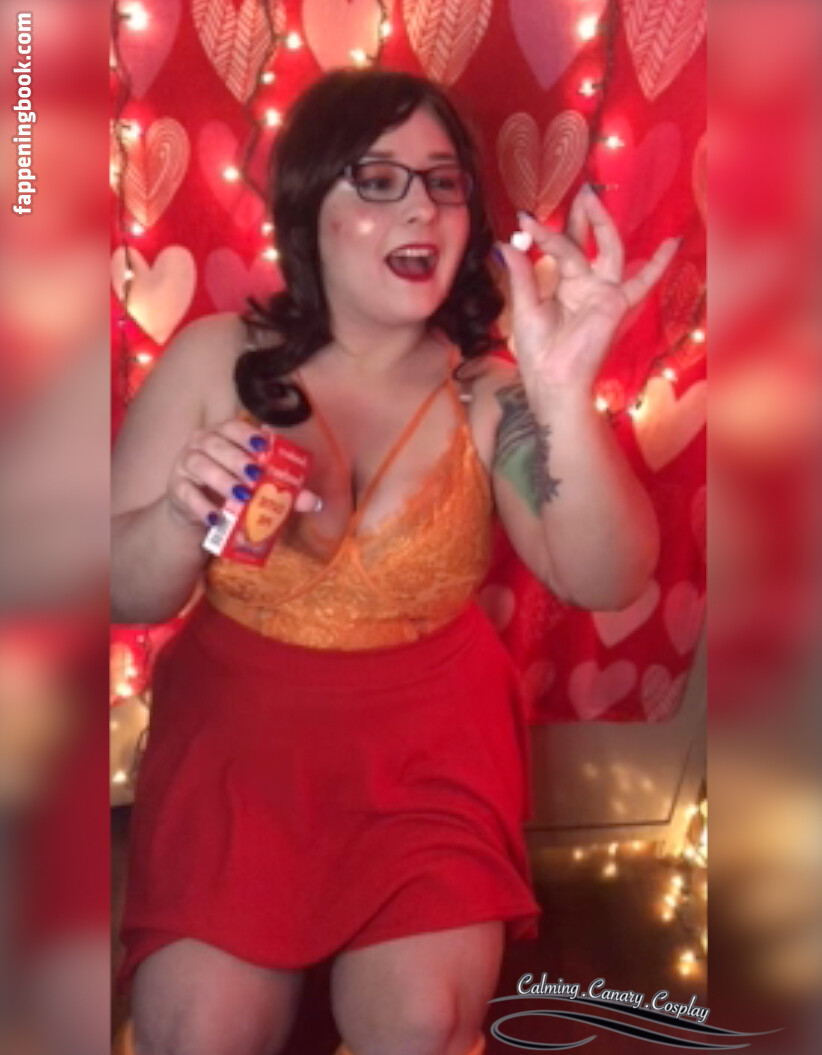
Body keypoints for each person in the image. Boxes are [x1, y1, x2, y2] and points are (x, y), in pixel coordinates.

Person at [112, 68, 675, 1055]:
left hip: (429, 749)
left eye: (443, 181)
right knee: (200, 1032)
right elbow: (123, 590)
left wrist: (563, 398)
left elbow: (608, 577)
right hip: (239, 742)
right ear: (307, 207)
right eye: (378, 180)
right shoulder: (213, 357)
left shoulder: (489, 393)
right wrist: (176, 514)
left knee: (421, 1023)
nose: (421, 205)